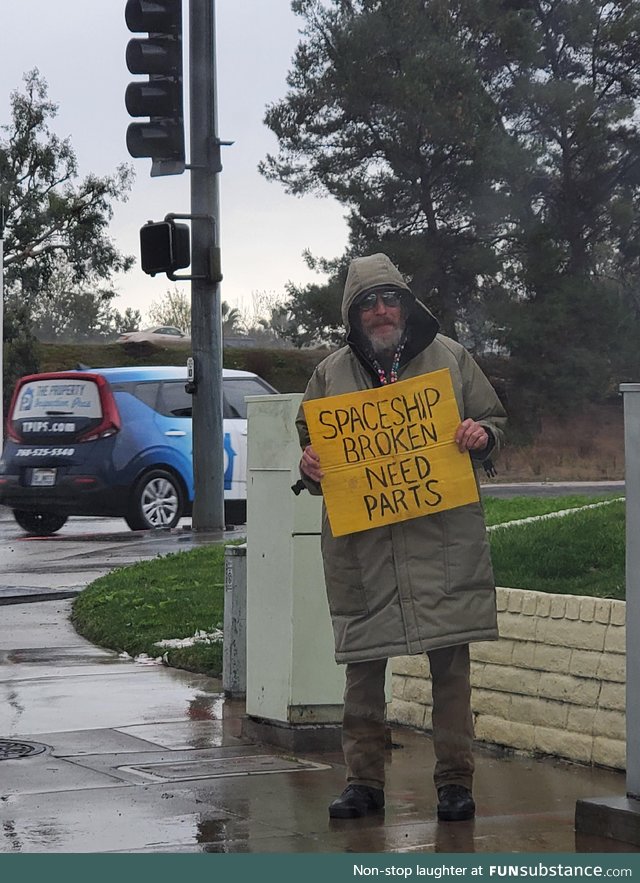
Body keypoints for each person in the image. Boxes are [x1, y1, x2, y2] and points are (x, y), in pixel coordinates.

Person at [296, 253, 507, 822]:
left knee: (451, 669)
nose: (380, 310)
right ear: (353, 313)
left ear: (405, 304)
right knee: (363, 668)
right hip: (363, 550)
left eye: (389, 299)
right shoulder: (328, 374)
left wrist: (479, 434)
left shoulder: (453, 360)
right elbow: (309, 442)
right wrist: (309, 464)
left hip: (442, 542)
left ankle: (455, 784)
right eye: (367, 302)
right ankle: (363, 784)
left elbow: (495, 423)